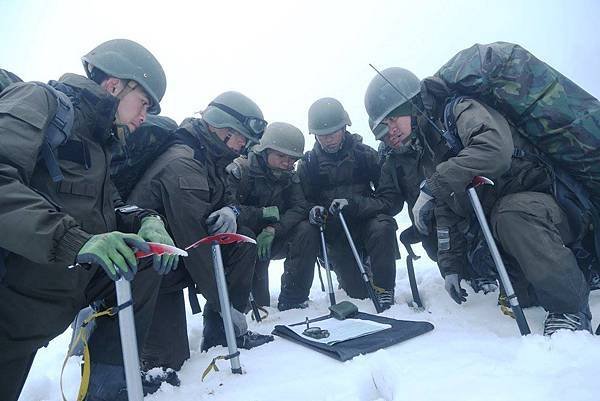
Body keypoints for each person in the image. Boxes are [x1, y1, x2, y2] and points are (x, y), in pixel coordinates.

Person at [0, 39, 177, 401]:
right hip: (11, 306)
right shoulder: (38, 99)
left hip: (48, 301)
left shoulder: (100, 144)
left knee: (140, 262)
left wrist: (146, 219)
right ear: (115, 85)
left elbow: (110, 209)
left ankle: (107, 389)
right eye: (143, 103)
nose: (145, 117)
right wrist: (73, 241)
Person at [364, 67, 592, 334]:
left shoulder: (459, 110)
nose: (390, 131)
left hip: (555, 205)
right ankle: (573, 269)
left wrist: (434, 184)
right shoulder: (428, 146)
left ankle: (570, 310)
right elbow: (447, 207)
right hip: (513, 224)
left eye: (393, 120)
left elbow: (494, 149)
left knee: (512, 214)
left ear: (410, 104)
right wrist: (450, 267)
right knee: (524, 294)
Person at [128, 91, 274, 370]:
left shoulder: (209, 157)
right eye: (240, 136)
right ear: (220, 128)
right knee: (165, 365)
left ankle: (221, 335)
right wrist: (224, 305)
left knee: (243, 239)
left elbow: (223, 198)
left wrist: (232, 211)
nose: (243, 145)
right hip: (150, 269)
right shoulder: (183, 161)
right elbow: (194, 242)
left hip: (174, 259)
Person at [297, 97, 399, 310]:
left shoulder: (366, 155)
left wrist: (353, 204)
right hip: (336, 233)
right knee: (357, 294)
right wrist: (313, 211)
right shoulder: (308, 164)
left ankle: (384, 290)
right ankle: (350, 269)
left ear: (344, 128)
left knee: (383, 226)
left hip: (367, 221)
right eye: (322, 135)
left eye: (333, 133)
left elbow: (390, 200)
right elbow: (301, 202)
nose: (329, 140)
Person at [226, 121, 319, 311]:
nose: (287, 162)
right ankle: (239, 310)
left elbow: (299, 207)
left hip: (274, 238)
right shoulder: (240, 170)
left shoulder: (290, 177)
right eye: (281, 155)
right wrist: (260, 214)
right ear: (265, 150)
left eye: (292, 158)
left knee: (307, 230)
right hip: (244, 244)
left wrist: (274, 229)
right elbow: (228, 208)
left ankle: (294, 299)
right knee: (258, 307)